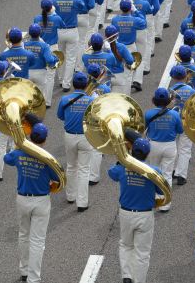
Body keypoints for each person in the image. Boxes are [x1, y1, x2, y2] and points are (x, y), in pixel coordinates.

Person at [4, 123, 60, 283]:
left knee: (23, 235)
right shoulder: (48, 158)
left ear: (30, 137)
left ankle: (24, 270)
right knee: (37, 240)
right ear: (45, 140)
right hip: (41, 200)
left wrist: (17, 145)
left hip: (22, 198)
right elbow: (58, 179)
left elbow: (7, 158)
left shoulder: (20, 152)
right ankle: (33, 277)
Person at [108, 137, 163, 283]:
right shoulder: (154, 171)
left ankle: (127, 276)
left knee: (126, 245)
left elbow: (111, 173)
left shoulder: (122, 168)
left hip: (126, 213)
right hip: (145, 214)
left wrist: (121, 159)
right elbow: (162, 191)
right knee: (142, 253)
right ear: (148, 153)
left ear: (132, 151)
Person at [57, 72, 95, 212]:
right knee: (84, 169)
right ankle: (82, 202)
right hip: (86, 137)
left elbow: (60, 116)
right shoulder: (91, 100)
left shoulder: (65, 99)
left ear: (73, 84)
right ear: (86, 85)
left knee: (71, 166)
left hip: (69, 136)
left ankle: (70, 196)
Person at [144, 88, 182, 212]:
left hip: (153, 145)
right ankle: (165, 204)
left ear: (154, 100)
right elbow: (180, 131)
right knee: (167, 175)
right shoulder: (175, 114)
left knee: (153, 173)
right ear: (168, 100)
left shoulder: (149, 114)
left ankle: (153, 199)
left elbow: (142, 128)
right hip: (170, 146)